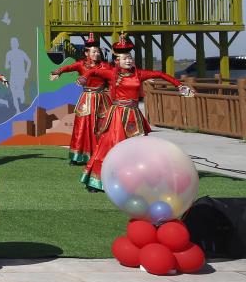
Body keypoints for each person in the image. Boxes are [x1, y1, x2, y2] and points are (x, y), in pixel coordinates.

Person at [81, 37, 194, 192]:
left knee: (138, 149)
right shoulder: (111, 73)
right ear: (117, 61)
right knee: (111, 147)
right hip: (118, 115)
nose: (128, 60)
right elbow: (93, 70)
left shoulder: (138, 74)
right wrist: (84, 77)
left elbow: (160, 74)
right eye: (125, 58)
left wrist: (179, 85)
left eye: (130, 58)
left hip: (134, 115)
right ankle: (97, 181)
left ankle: (135, 180)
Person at [48, 32, 114, 165]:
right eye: (94, 52)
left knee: (101, 127)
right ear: (86, 53)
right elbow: (68, 67)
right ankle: (77, 157)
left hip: (101, 100)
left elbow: (113, 77)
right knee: (82, 127)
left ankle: (100, 155)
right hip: (87, 99)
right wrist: (58, 72)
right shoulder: (81, 64)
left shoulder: (106, 66)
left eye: (98, 52)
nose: (97, 54)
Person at [5, 37, 32, 113]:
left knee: (19, 92)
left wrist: (26, 73)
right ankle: (17, 110)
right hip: (13, 76)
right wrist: (9, 66)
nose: (13, 44)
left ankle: (21, 94)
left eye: (15, 43)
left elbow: (29, 61)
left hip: (21, 75)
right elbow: (6, 66)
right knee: (14, 93)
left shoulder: (21, 53)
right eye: (12, 43)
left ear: (18, 44)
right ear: (11, 45)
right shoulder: (9, 54)